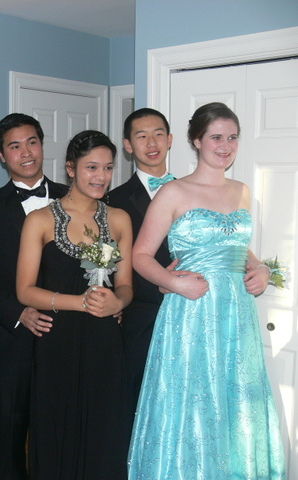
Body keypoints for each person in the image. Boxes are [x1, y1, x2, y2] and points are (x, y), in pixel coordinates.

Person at [128, 102, 285, 478]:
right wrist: (173, 282)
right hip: (191, 313)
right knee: (193, 399)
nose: (225, 146)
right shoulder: (173, 192)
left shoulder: (242, 191)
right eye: (216, 137)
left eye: (233, 137)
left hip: (236, 316)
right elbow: (140, 256)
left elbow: (238, 248)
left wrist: (261, 268)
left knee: (235, 398)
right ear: (197, 141)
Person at [17, 130, 133, 479]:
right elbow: (24, 291)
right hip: (57, 340)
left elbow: (126, 286)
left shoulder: (120, 219)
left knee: (104, 428)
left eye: (108, 168)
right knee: (57, 428)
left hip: (105, 342)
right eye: (91, 167)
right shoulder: (40, 220)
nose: (101, 176)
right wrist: (79, 303)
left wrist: (117, 302)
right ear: (71, 168)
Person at [0, 113, 68, 480]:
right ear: (1, 155)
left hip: (69, 333)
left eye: (32, 142)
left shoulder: (73, 197)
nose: (26, 153)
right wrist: (19, 313)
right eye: (15, 146)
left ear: (42, 145)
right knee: (12, 429)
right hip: (16, 337)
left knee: (63, 424)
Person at [107, 108, 196, 417]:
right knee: (141, 403)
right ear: (128, 145)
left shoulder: (194, 192)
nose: (152, 143)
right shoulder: (113, 201)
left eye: (158, 134)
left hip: (193, 311)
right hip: (142, 317)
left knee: (188, 399)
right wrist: (159, 285)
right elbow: (111, 265)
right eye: (141, 136)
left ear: (170, 139)